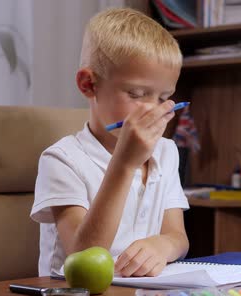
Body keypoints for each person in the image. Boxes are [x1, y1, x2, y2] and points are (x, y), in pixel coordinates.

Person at [30, 7, 189, 278]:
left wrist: (162, 246)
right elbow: (83, 254)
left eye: (163, 98)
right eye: (137, 94)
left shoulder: (166, 151)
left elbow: (178, 237)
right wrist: (125, 164)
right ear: (88, 84)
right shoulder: (61, 160)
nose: (152, 109)